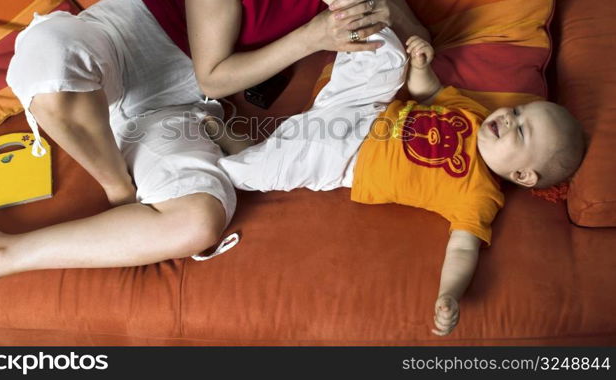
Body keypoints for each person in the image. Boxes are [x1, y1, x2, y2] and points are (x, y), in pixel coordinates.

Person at [0, 0, 428, 342]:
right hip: (138, 41)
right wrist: (313, 36)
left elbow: (413, 32)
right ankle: (119, 190)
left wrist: (397, 32)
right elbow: (215, 72)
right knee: (49, 62)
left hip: (183, 106)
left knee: (198, 221)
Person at [210, 32, 586, 337]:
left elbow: (461, 249)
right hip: (365, 108)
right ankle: (341, 18)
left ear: (522, 176)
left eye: (520, 131)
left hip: (344, 157)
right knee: (386, 49)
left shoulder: (479, 195)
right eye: (518, 112)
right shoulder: (475, 114)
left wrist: (449, 294)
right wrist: (420, 66)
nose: (508, 118)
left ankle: (216, 150)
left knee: (260, 171)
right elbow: (429, 93)